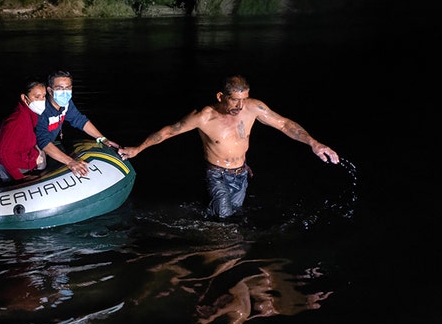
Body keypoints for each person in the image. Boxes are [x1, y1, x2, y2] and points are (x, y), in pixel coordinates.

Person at [117, 74, 340, 219]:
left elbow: (284, 124)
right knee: (224, 218)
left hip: (241, 174)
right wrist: (138, 149)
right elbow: (169, 131)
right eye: (234, 100)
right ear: (221, 96)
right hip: (217, 175)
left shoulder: (253, 108)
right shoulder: (204, 117)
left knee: (233, 217)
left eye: (244, 99)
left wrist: (314, 143)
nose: (240, 106)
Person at [35, 69, 120, 177]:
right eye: (59, 88)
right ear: (50, 90)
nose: (64, 92)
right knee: (40, 163)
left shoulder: (66, 103)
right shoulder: (42, 109)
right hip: (33, 146)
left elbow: (79, 120)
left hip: (49, 142)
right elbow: (42, 140)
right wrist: (70, 162)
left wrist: (102, 138)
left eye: (67, 88)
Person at [0, 77, 48, 181]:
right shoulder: (17, 121)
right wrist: (20, 177)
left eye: (44, 96)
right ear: (24, 98)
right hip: (11, 167)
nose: (42, 100)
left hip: (27, 158)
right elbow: (3, 152)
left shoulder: (31, 115)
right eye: (37, 97)